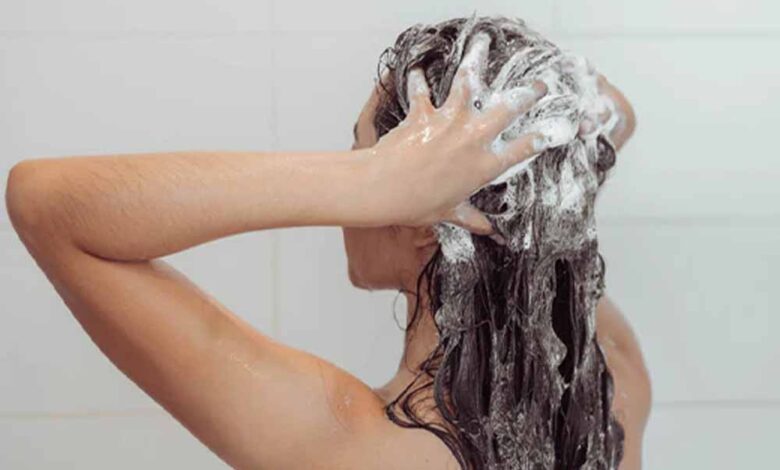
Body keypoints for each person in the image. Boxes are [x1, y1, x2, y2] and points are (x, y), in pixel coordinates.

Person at [5, 17, 650, 470]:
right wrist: (538, 159)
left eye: (359, 154)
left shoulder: (350, 444)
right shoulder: (611, 390)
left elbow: (45, 203)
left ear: (416, 214)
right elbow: (611, 115)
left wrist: (367, 184)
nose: (355, 177)